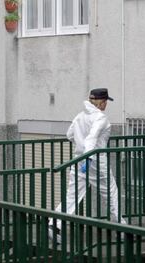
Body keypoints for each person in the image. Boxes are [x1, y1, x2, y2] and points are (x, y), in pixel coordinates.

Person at [48, 88, 126, 243]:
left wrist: (82, 150)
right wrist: (89, 157)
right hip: (95, 160)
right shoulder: (101, 118)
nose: (106, 105)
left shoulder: (80, 116)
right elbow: (91, 139)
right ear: (102, 102)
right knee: (111, 192)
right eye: (105, 102)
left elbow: (70, 135)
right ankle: (120, 228)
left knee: (73, 195)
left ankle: (54, 224)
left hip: (79, 161)